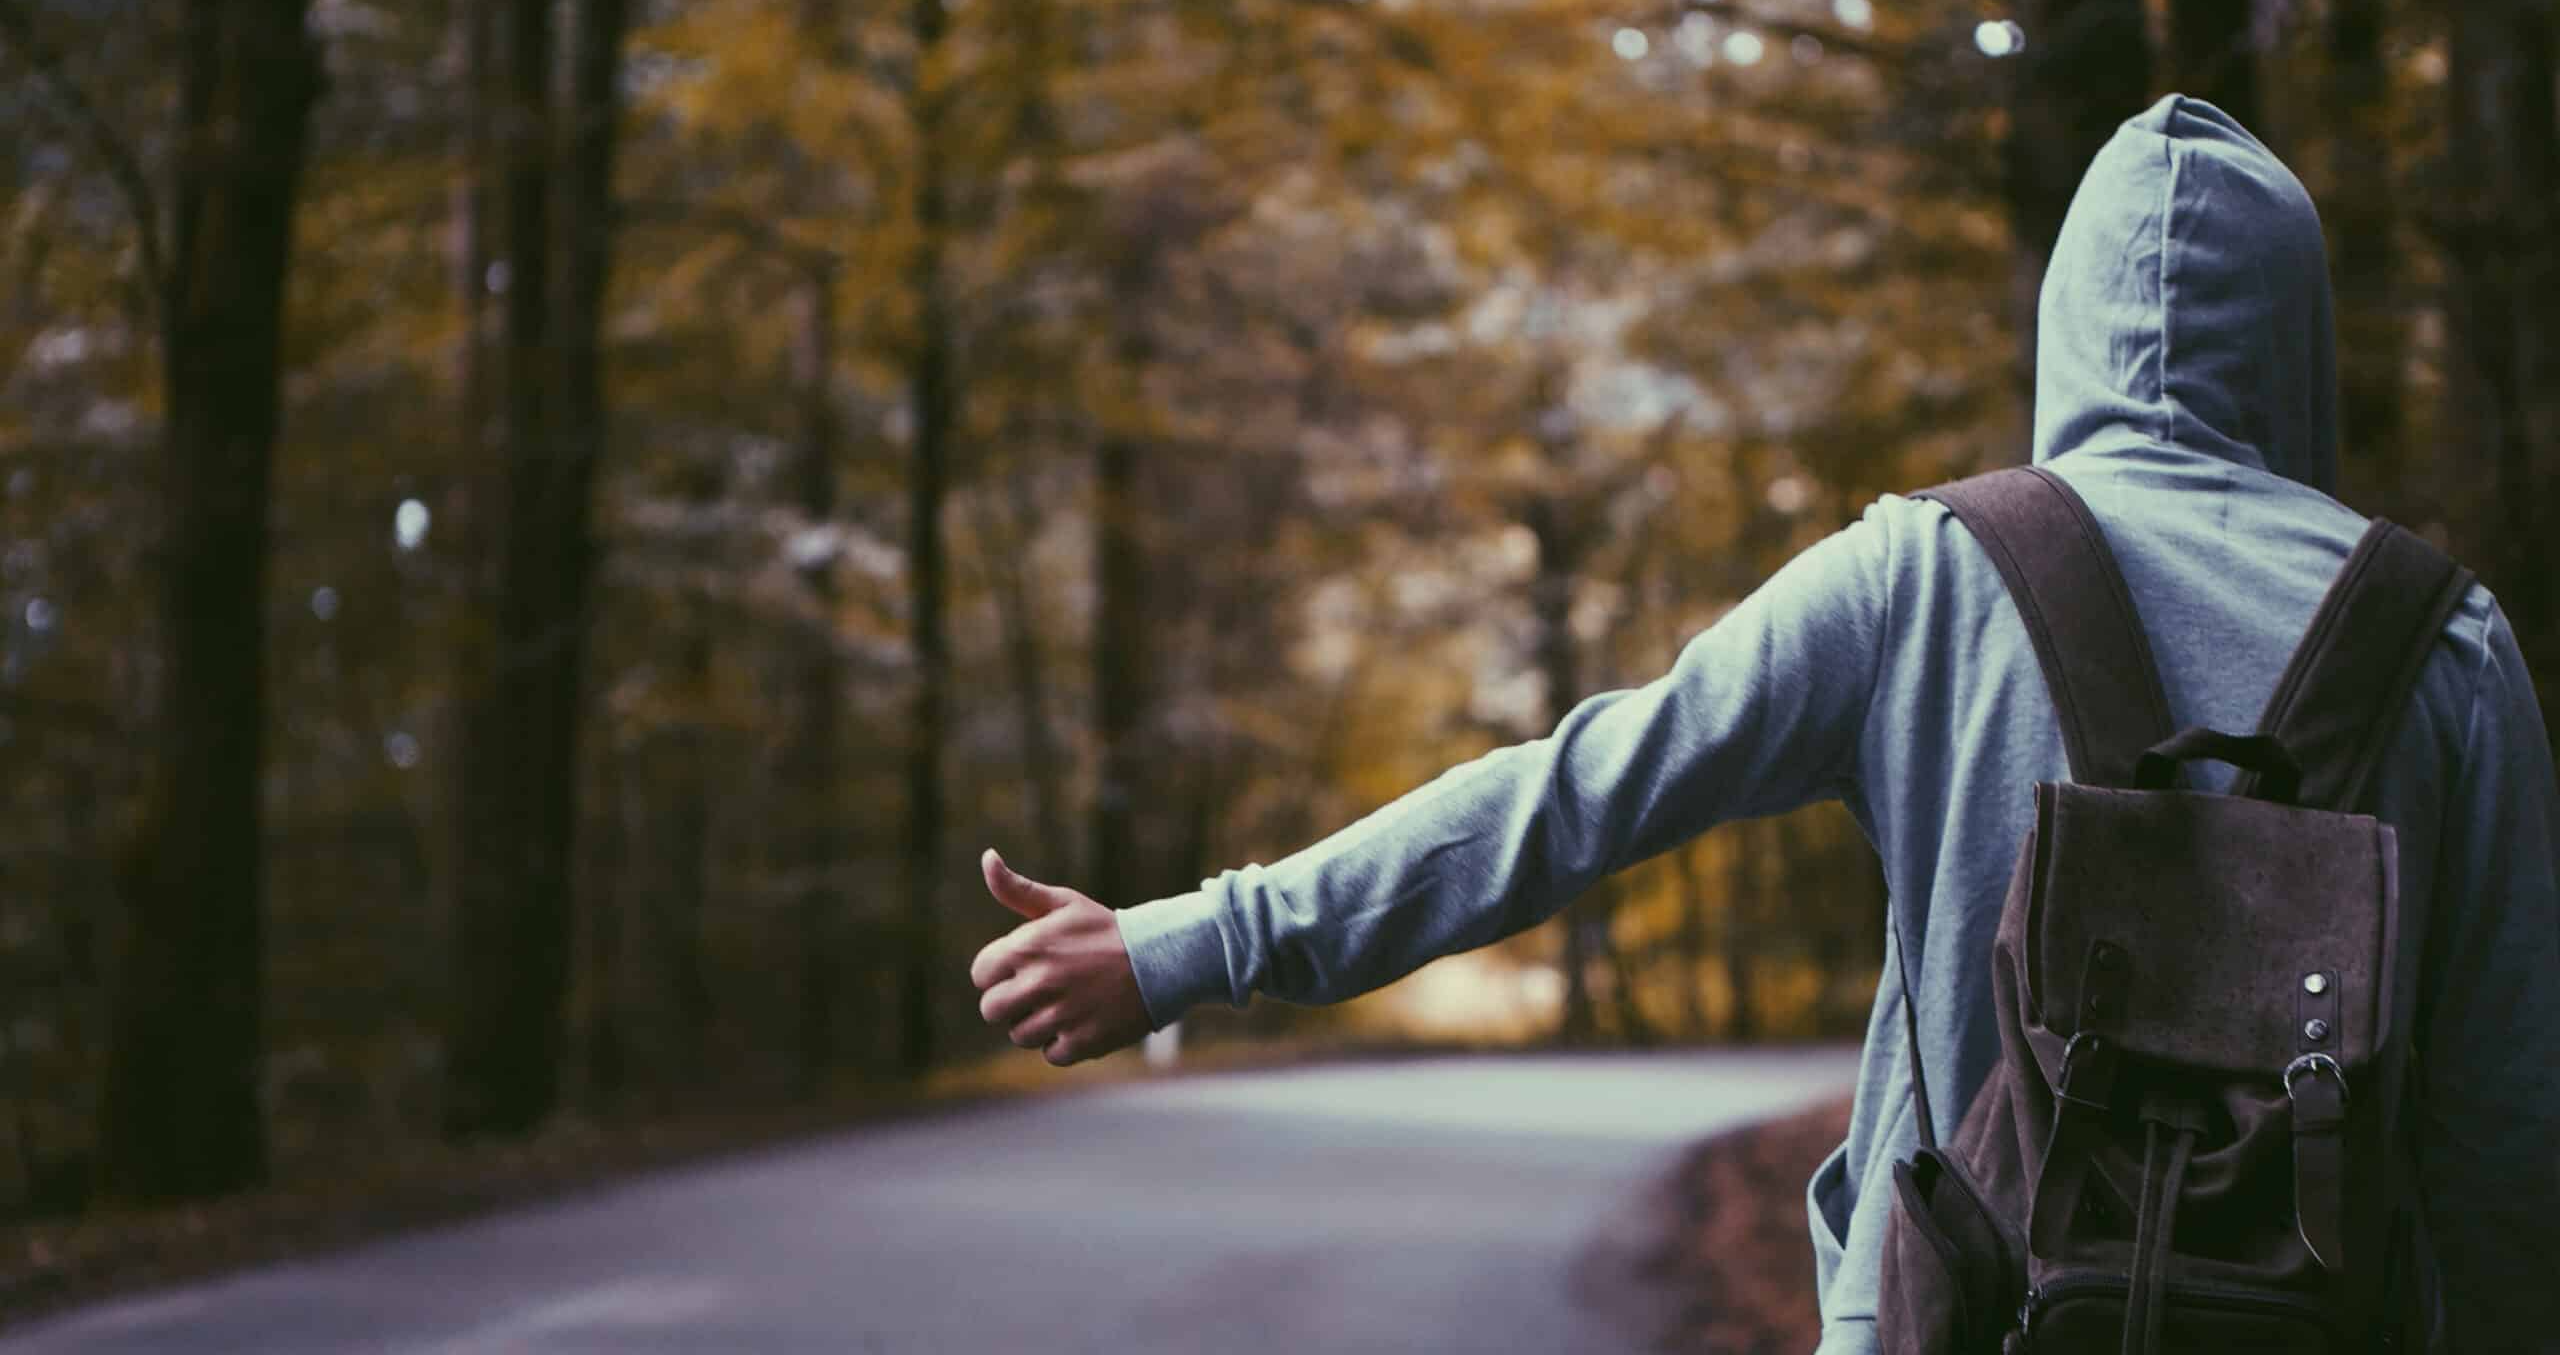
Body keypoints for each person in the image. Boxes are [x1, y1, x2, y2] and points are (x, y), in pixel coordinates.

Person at [964, 95, 2560, 1349]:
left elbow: (1570, 798)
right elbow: (2506, 1130)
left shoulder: (1926, 576)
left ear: (2064, 325)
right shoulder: (2445, 640)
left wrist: (1189, 942)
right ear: (2300, 341)